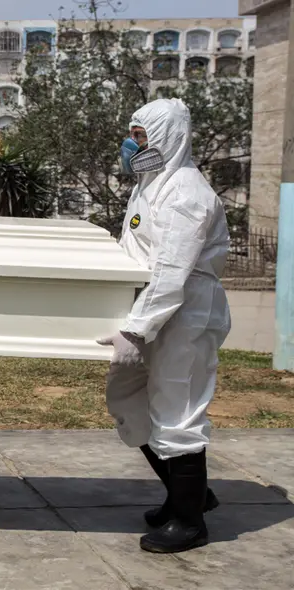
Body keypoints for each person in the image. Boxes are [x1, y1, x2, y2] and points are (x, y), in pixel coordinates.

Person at [99, 98, 230, 554]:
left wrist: (137, 329)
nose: (131, 145)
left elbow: (172, 271)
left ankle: (190, 521)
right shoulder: (151, 184)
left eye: (140, 136)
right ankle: (188, 496)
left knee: (178, 411)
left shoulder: (186, 194)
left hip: (186, 315)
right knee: (129, 398)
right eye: (133, 135)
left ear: (167, 138)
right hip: (154, 313)